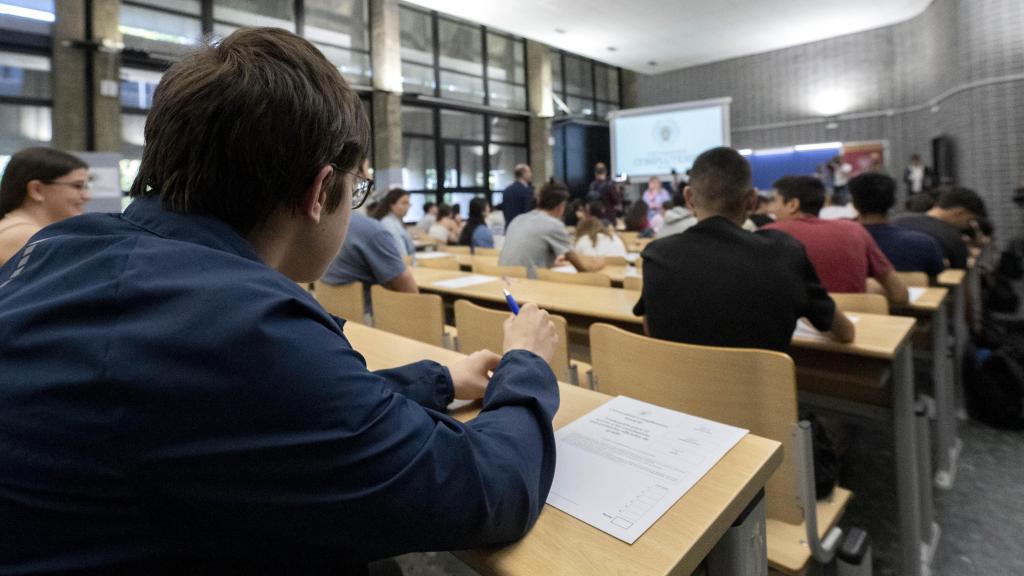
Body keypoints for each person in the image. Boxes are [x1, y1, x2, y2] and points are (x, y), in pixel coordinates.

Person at [0, 27, 562, 574]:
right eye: (356, 189)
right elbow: (489, 489)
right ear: (320, 191)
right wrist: (527, 365)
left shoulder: (62, 250)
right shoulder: (244, 322)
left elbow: (258, 406)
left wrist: (438, 380)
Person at [634, 147, 855, 352]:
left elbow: (650, 331)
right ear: (751, 200)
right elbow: (845, 333)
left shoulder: (657, 255)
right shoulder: (785, 253)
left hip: (672, 382)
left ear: (689, 198)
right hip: (760, 384)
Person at [765, 176, 908, 304]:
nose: (770, 208)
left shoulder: (767, 235)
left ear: (792, 205)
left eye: (774, 200)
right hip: (857, 320)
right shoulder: (855, 230)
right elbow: (900, 294)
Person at [0, 147, 90, 266]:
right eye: (77, 186)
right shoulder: (26, 236)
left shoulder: (15, 229)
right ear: (36, 190)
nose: (87, 196)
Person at [848, 172, 945, 278]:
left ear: (854, 203)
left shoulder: (844, 244)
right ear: (893, 202)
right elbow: (936, 281)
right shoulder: (924, 244)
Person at [499, 181, 604, 277]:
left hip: (503, 281)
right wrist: (599, 264)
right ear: (561, 206)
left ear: (539, 200)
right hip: (527, 284)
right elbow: (582, 268)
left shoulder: (518, 219)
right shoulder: (554, 224)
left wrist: (550, 262)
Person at [894, 186, 986, 269]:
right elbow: (959, 271)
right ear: (959, 213)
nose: (968, 225)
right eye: (969, 220)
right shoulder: (953, 238)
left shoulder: (897, 221)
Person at [371, 187, 416, 260]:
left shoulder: (396, 221)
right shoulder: (389, 224)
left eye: (408, 203)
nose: (407, 207)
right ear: (392, 205)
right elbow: (402, 255)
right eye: (404, 203)